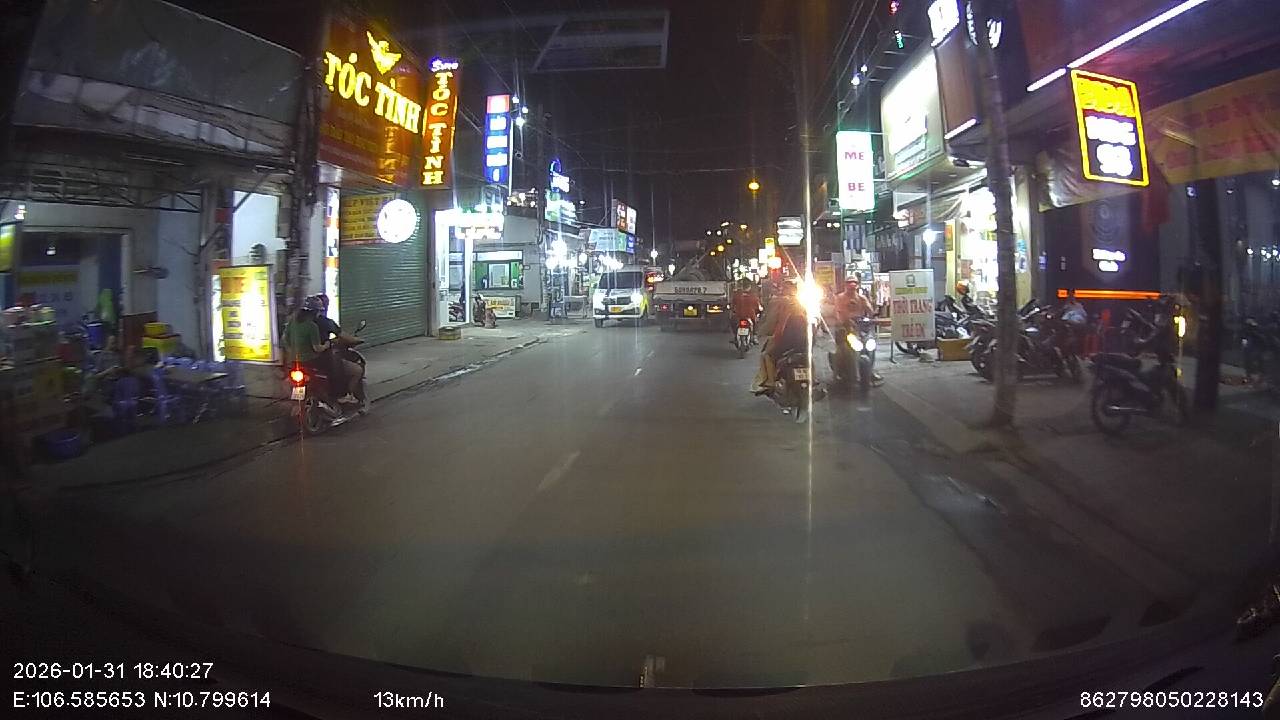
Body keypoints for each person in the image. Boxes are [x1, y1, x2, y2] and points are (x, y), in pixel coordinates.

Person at [307, 294, 362, 404]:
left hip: (301, 360)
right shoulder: (325, 322)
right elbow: (343, 336)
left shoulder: (297, 323)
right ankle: (344, 395)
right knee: (355, 370)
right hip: (320, 358)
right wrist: (357, 340)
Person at [282, 305, 330, 379]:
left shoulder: (292, 323)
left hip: (294, 360)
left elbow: (284, 339)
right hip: (310, 361)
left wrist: (291, 351)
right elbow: (317, 348)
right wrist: (326, 345)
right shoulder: (312, 326)